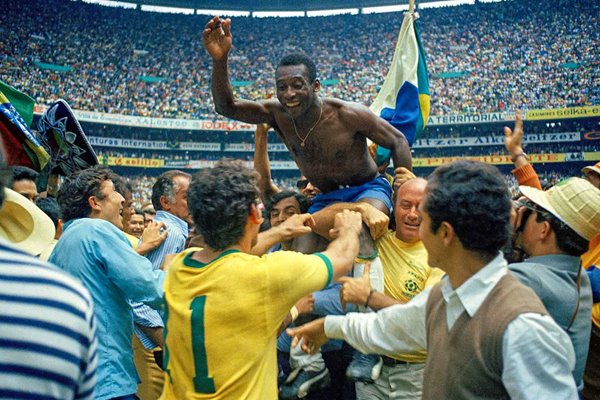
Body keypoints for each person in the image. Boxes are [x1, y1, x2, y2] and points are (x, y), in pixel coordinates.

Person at [288, 160, 579, 399]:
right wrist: (329, 327)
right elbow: (394, 326)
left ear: (446, 233)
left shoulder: (523, 328)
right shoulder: (448, 294)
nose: (414, 222)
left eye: (425, 217)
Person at [159, 159, 364, 400]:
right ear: (256, 214)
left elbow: (229, 253)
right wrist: (349, 227)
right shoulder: (266, 274)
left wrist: (281, 230)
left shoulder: (179, 266)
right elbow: (341, 258)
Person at [49, 166, 165, 400]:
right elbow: (148, 285)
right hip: (107, 377)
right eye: (113, 192)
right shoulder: (97, 230)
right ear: (95, 202)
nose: (122, 198)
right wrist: (188, 274)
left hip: (82, 376)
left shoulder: (66, 239)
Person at [0, 138, 98, 399]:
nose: (31, 206)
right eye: (24, 199)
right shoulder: (67, 299)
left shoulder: (66, 296)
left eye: (34, 198)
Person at [338, 177, 444, 399]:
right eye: (405, 205)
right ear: (393, 207)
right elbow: (315, 219)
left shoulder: (440, 256)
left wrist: (370, 297)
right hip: (369, 374)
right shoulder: (374, 239)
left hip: (416, 374)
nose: (413, 214)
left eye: (422, 206)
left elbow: (423, 316)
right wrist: (363, 208)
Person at [511, 178, 598, 392]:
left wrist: (497, 232)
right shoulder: (578, 276)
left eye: (531, 209)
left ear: (544, 229)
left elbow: (454, 294)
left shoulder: (527, 280)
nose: (522, 213)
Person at [134, 170, 191, 400]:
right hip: (153, 344)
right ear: (166, 202)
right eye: (187, 196)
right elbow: (143, 297)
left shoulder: (166, 228)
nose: (194, 201)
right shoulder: (172, 232)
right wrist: (166, 343)